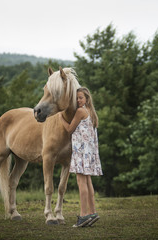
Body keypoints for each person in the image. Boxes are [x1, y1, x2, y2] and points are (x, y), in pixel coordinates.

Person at [59, 87, 103, 227]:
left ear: (87, 99)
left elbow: (70, 129)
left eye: (81, 98)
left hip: (81, 151)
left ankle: (83, 215)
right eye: (76, 98)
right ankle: (92, 212)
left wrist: (61, 117)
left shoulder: (80, 111)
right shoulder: (91, 112)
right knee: (88, 182)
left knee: (81, 182)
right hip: (89, 152)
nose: (78, 100)